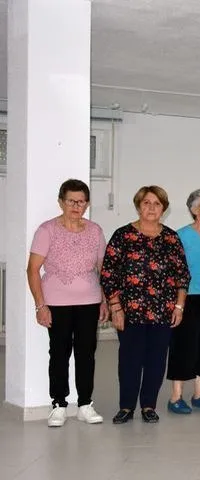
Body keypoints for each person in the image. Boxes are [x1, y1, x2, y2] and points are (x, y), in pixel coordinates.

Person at [101, 186, 190, 424]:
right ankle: (127, 406)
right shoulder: (123, 235)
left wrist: (179, 307)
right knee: (129, 359)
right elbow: (108, 274)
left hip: (163, 311)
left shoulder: (171, 237)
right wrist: (115, 308)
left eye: (157, 204)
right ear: (139, 206)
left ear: (164, 208)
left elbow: (182, 276)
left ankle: (149, 405)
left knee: (156, 360)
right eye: (147, 203)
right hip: (130, 312)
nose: (151, 208)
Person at [27, 179, 108, 427]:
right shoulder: (47, 230)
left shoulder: (95, 230)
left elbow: (103, 269)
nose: (76, 206)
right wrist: (41, 306)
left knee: (87, 354)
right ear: (61, 202)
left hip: (89, 302)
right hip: (56, 304)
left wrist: (104, 301)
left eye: (81, 201)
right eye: (71, 201)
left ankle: (84, 403)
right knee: (59, 353)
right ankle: (59, 404)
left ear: (87, 203)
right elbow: (32, 270)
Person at [167, 189, 200, 414]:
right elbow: (172, 271)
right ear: (194, 209)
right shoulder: (181, 236)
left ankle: (199, 393)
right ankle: (176, 396)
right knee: (183, 346)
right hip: (187, 298)